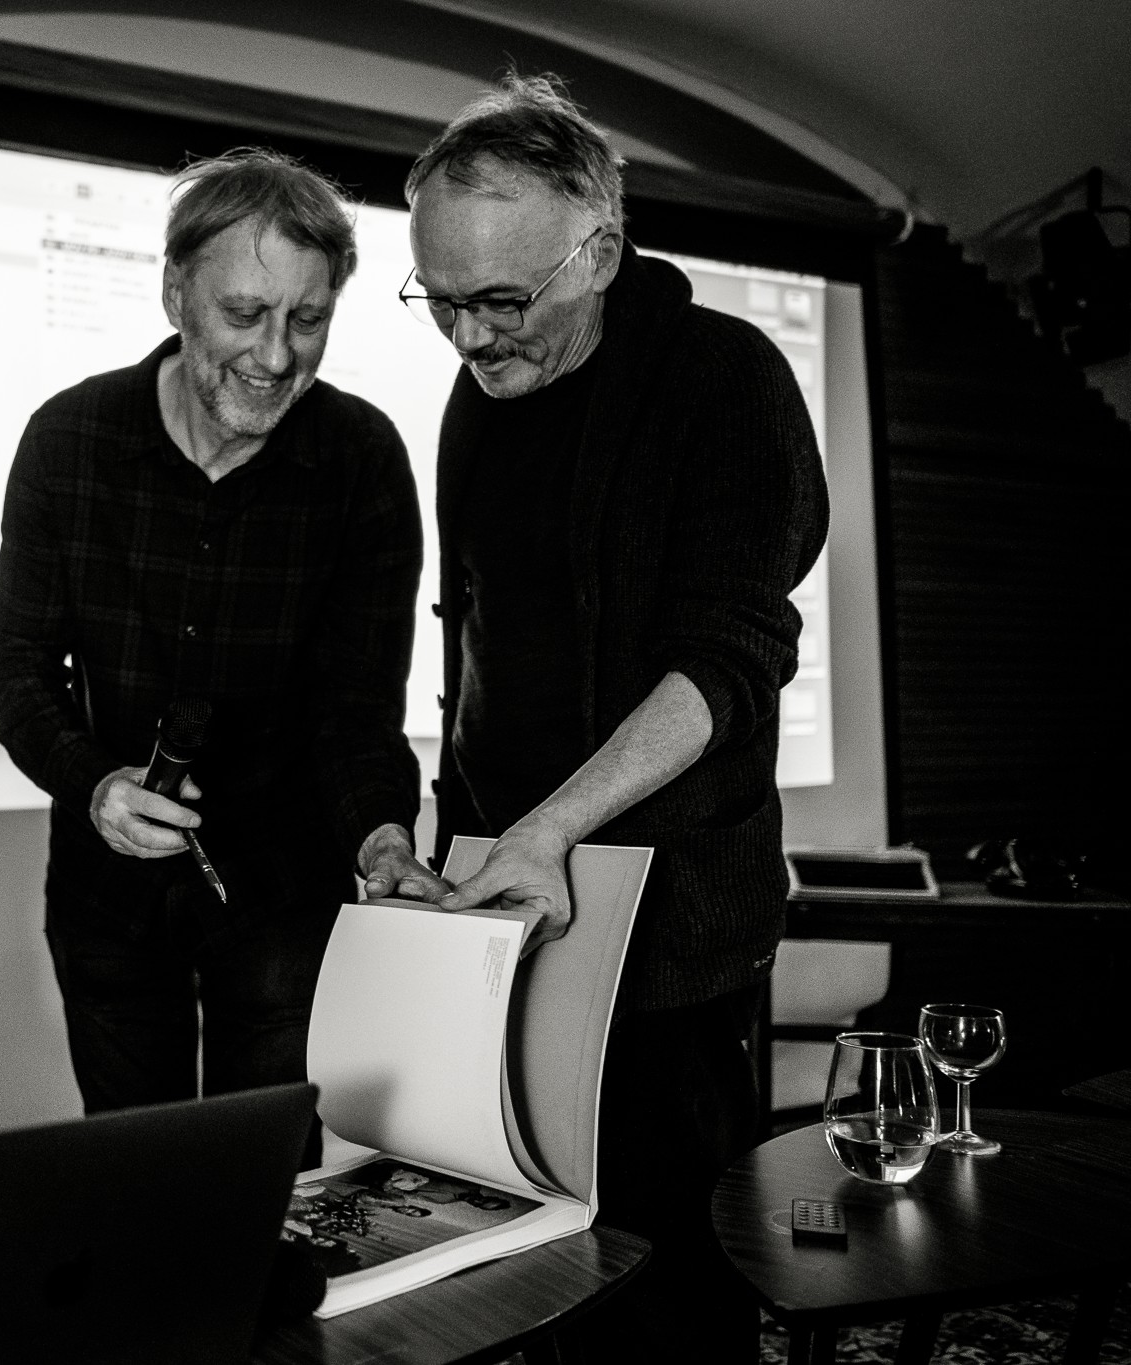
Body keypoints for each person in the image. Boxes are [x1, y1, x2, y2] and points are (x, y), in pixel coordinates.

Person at [371, 76, 828, 1358]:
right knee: (534, 1263)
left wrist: (549, 829)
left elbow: (727, 660)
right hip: (505, 906)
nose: (469, 339)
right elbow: (475, 654)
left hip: (670, 927)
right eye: (439, 301)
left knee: (670, 1275)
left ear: (600, 256)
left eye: (501, 301)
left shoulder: (722, 378)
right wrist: (448, 836)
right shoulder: (477, 399)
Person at [0, 149, 426, 1153]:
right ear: (175, 292)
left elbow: (356, 709)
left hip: (284, 891)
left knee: (264, 1176)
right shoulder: (70, 439)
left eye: (306, 320)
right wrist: (95, 784)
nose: (274, 355)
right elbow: (16, 672)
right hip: (107, 895)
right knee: (130, 1173)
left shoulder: (361, 461)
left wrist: (383, 839)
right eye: (244, 313)